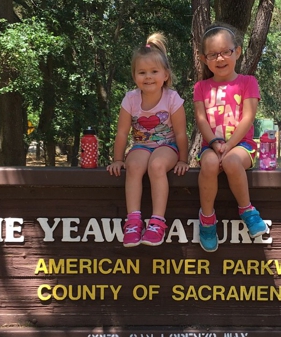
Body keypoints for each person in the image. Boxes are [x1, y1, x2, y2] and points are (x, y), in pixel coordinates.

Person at [107, 33, 189, 247]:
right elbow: (123, 133)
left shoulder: (172, 99)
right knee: (133, 166)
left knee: (157, 165)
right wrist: (117, 159)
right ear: (134, 76)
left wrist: (183, 160)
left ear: (165, 75)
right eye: (142, 72)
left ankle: (157, 221)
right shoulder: (130, 99)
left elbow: (181, 133)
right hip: (141, 145)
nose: (148, 77)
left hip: (167, 146)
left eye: (154, 72)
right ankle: (133, 220)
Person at [193, 23, 268, 252]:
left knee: (231, 161)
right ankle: (207, 219)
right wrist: (215, 144)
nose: (220, 58)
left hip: (241, 145)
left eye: (226, 51)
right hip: (211, 146)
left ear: (237, 51)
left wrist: (229, 145)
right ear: (204, 59)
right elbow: (201, 120)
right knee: (209, 163)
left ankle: (247, 210)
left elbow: (248, 117)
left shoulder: (248, 82)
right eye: (213, 54)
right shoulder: (200, 87)